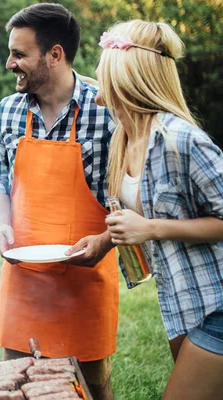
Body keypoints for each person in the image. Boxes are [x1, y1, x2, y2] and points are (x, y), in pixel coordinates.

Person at [0, 4, 118, 399]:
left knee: (92, 388)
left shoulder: (106, 110)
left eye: (19, 54)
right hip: (23, 278)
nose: (10, 63)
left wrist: (105, 243)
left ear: (54, 54)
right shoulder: (7, 112)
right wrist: (0, 223)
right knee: (19, 384)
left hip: (87, 278)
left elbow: (131, 197)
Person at [93, 20, 223, 400]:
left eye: (103, 74)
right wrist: (103, 241)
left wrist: (150, 229)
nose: (98, 85)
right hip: (183, 301)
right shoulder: (124, 139)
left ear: (124, 78)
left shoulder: (181, 139)